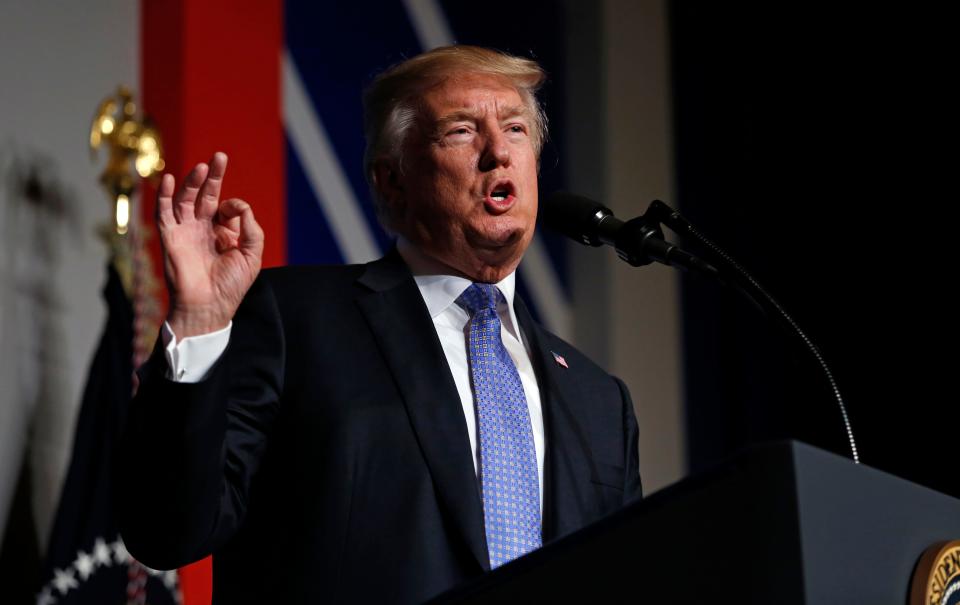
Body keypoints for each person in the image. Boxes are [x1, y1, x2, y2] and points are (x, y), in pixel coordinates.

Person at [119, 45, 642, 603]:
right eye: (462, 132)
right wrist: (199, 325)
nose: (498, 153)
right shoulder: (297, 321)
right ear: (392, 180)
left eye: (515, 129)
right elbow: (168, 530)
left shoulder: (599, 401)